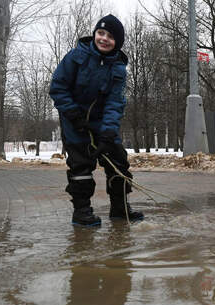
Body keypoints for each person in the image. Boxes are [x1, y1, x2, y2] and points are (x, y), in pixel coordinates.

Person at [50, 14, 143, 226]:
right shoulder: (76, 56)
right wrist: (73, 114)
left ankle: (120, 208)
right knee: (81, 166)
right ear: (94, 34)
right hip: (75, 121)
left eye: (110, 36)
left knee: (118, 161)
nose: (104, 38)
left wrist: (109, 131)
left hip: (102, 123)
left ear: (117, 42)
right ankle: (82, 212)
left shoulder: (118, 68)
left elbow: (115, 102)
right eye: (100, 33)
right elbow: (58, 87)